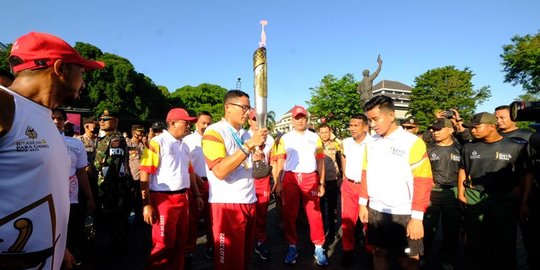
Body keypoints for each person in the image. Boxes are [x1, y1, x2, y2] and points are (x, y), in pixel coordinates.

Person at [0, 31, 104, 270]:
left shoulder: (45, 115)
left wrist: (61, 246)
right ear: (60, 68)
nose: (84, 82)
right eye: (82, 71)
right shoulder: (4, 104)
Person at [359, 95, 433, 270]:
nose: (372, 125)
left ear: (391, 115)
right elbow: (365, 173)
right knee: (378, 252)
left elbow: (423, 181)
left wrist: (417, 217)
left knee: (407, 260)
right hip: (376, 210)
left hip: (404, 213)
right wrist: (363, 204)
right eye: (369, 120)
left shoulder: (413, 143)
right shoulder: (370, 142)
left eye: (376, 119)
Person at [202, 90, 267, 270]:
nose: (248, 112)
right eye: (244, 108)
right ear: (228, 107)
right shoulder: (214, 131)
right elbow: (220, 171)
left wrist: (254, 158)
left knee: (243, 259)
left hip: (249, 200)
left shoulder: (245, 135)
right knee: (228, 262)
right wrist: (249, 146)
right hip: (227, 205)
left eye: (249, 108)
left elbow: (245, 165)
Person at [458, 112, 532, 270]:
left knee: (504, 242)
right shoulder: (468, 147)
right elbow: (463, 170)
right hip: (475, 197)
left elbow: (525, 173)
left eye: (476, 127)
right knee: (475, 241)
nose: (472, 130)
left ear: (492, 127)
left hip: (505, 200)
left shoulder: (515, 146)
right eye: (471, 128)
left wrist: (522, 195)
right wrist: (460, 193)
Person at [139, 108, 203, 269]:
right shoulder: (157, 142)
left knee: (180, 244)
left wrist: (196, 195)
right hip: (163, 200)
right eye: (186, 122)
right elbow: (145, 172)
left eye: (189, 123)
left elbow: (190, 173)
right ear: (172, 123)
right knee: (163, 245)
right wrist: (146, 203)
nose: (189, 126)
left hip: (183, 198)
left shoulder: (185, 146)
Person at [274, 105, 328, 266]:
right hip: (290, 177)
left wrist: (321, 182)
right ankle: (292, 246)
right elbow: (280, 161)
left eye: (302, 117)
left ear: (307, 119)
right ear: (292, 120)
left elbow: (320, 161)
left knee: (314, 214)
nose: (300, 120)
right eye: (297, 118)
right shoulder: (285, 138)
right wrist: (278, 182)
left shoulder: (315, 137)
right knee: (289, 215)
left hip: (310, 177)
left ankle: (319, 247)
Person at [494, 105, 537, 268]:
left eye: (502, 117)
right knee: (504, 235)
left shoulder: (529, 136)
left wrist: (522, 186)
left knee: (529, 234)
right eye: (496, 118)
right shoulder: (494, 136)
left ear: (514, 117)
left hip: (524, 192)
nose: (498, 121)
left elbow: (531, 168)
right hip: (501, 195)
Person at [52, 108, 96, 265]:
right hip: (47, 201)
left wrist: (89, 197)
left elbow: (82, 173)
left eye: (59, 118)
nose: (56, 121)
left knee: (72, 237)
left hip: (71, 200)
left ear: (65, 122)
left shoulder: (75, 144)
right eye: (52, 118)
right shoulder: (36, 143)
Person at [423, 118, 462, 269]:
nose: (435, 132)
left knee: (451, 229)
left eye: (439, 129)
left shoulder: (461, 148)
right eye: (434, 129)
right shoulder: (429, 149)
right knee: (427, 228)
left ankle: (446, 258)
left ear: (451, 130)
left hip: (452, 193)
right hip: (432, 193)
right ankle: (423, 256)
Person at [93, 109, 133, 257]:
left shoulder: (116, 140)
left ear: (115, 121)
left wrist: (107, 188)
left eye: (106, 119)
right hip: (103, 185)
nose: (101, 121)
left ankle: (118, 250)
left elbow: (114, 166)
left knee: (116, 219)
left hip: (113, 187)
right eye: (100, 119)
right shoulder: (103, 139)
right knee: (107, 219)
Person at [339, 114, 371, 268]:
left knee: (368, 221)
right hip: (349, 186)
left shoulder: (374, 142)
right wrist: (345, 176)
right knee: (347, 220)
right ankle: (348, 251)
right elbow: (343, 157)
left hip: (368, 187)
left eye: (356, 125)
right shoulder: (346, 142)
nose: (351, 128)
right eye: (350, 125)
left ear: (365, 126)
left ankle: (371, 251)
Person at [183, 111, 214, 263]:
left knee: (212, 219)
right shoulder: (188, 140)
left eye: (209, 123)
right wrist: (194, 176)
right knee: (192, 219)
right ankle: (189, 249)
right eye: (203, 123)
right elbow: (184, 163)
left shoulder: (216, 139)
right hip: (194, 183)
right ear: (196, 123)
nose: (206, 126)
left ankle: (211, 245)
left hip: (214, 183)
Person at [246, 109, 275, 260]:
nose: (257, 122)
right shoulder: (242, 136)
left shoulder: (269, 138)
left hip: (262, 179)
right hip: (246, 178)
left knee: (262, 213)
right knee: (246, 213)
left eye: (260, 119)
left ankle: (260, 241)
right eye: (254, 119)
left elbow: (269, 158)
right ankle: (246, 241)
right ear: (249, 121)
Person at [317, 123, 342, 241]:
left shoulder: (335, 144)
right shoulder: (315, 144)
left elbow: (344, 147)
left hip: (333, 180)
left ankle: (332, 230)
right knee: (320, 208)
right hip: (319, 181)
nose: (324, 134)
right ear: (318, 133)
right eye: (322, 132)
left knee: (333, 208)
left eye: (326, 132)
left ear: (330, 132)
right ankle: (321, 230)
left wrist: (335, 137)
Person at [127, 125, 146, 226]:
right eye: (140, 132)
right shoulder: (127, 144)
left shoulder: (144, 145)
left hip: (142, 178)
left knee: (140, 200)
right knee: (130, 200)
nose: (142, 134)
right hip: (132, 177)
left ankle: (139, 220)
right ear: (134, 133)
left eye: (143, 132)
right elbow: (125, 161)